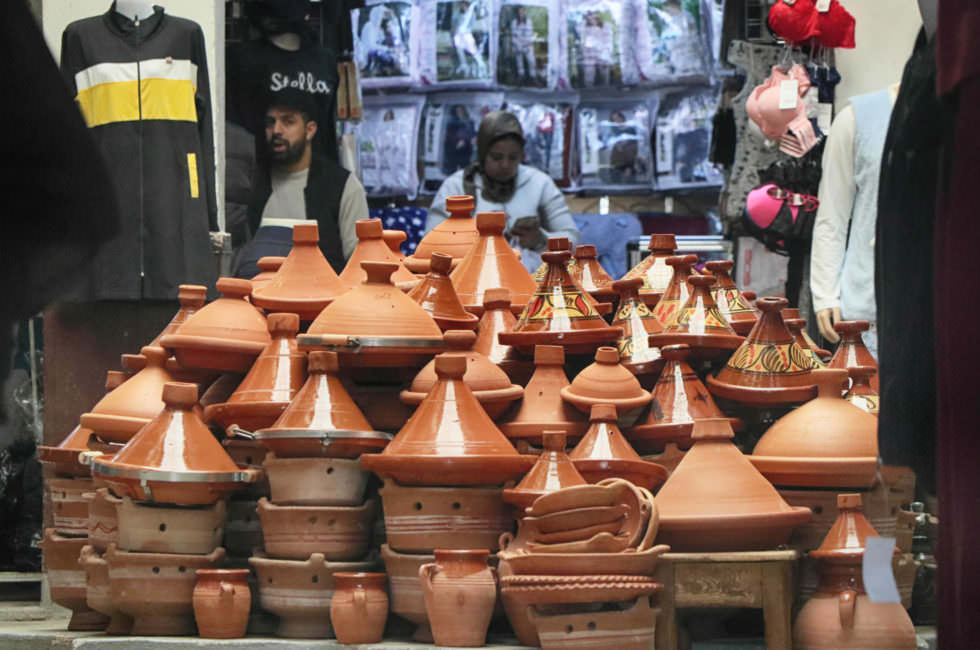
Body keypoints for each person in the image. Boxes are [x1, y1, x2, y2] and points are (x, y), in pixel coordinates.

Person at [425, 110, 580, 272]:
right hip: (470, 280)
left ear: (522, 155)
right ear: (482, 154)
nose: (505, 165)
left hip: (531, 283)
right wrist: (477, 242)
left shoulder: (539, 184)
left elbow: (574, 240)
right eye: (496, 157)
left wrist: (541, 240)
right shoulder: (456, 187)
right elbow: (430, 245)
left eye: (513, 157)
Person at [236, 89, 368, 277]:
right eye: (271, 122)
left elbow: (358, 267)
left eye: (288, 122)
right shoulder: (251, 181)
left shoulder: (343, 186)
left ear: (310, 130)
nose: (277, 131)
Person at [510, 6, 537, 83]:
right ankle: (521, 76)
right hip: (518, 45)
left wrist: (528, 44)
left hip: (528, 45)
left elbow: (531, 34)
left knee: (531, 61)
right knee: (519, 62)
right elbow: (513, 36)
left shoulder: (529, 22)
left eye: (523, 12)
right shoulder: (514, 22)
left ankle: (533, 77)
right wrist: (519, 45)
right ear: (518, 13)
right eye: (520, 12)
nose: (521, 13)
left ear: (525, 12)